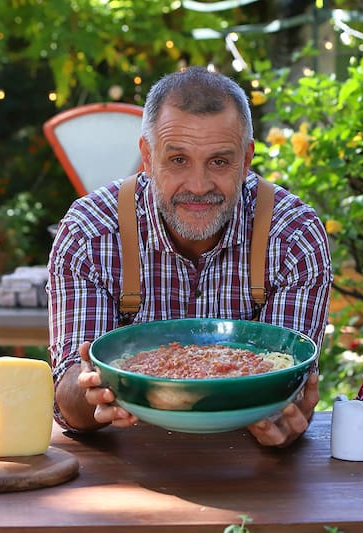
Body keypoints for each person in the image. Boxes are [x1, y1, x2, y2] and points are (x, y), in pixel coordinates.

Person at [47, 66, 333, 447]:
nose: (198, 186)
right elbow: (69, 398)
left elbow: (287, 385)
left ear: (246, 160)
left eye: (219, 161)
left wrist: (287, 417)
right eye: (178, 159)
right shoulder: (88, 234)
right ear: (147, 157)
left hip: (250, 467)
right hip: (128, 466)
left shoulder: (295, 238)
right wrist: (89, 392)